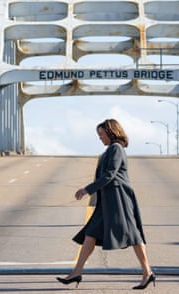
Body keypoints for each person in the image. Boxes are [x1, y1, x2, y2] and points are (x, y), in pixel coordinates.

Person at [56, 119, 155, 290]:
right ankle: (76, 272)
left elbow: (110, 174)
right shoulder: (110, 149)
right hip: (108, 199)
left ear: (111, 132)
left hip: (118, 197)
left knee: (132, 234)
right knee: (91, 232)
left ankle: (147, 273)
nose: (100, 138)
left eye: (101, 134)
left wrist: (87, 189)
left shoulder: (116, 148)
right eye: (99, 135)